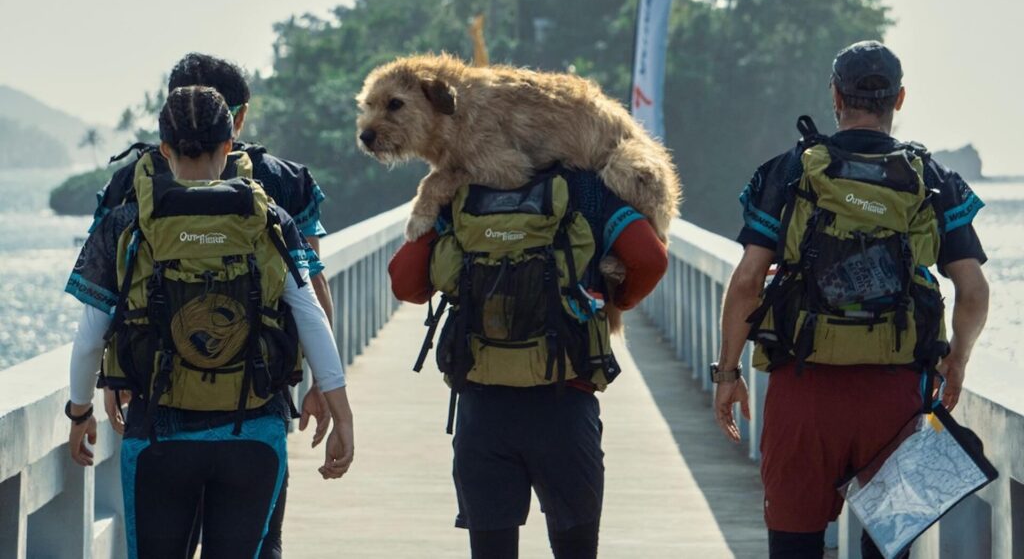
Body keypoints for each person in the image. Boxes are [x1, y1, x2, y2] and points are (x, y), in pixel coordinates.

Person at [712, 41, 989, 559]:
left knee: (794, 545)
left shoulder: (791, 170)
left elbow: (749, 278)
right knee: (886, 549)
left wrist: (728, 373)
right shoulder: (932, 179)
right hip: (896, 399)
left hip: (803, 392)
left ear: (835, 95)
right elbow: (972, 290)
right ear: (899, 99)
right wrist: (957, 361)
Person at [65, 86, 355, 559]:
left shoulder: (127, 223)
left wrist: (80, 413)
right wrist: (342, 415)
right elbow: (311, 316)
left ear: (163, 150)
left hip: (158, 435)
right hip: (253, 431)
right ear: (229, 146)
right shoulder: (267, 218)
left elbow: (88, 339)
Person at [388, 166, 668, 559]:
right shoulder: (587, 190)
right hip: (565, 406)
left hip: (483, 413)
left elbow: (405, 283)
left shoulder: (464, 187)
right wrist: (614, 301)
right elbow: (650, 258)